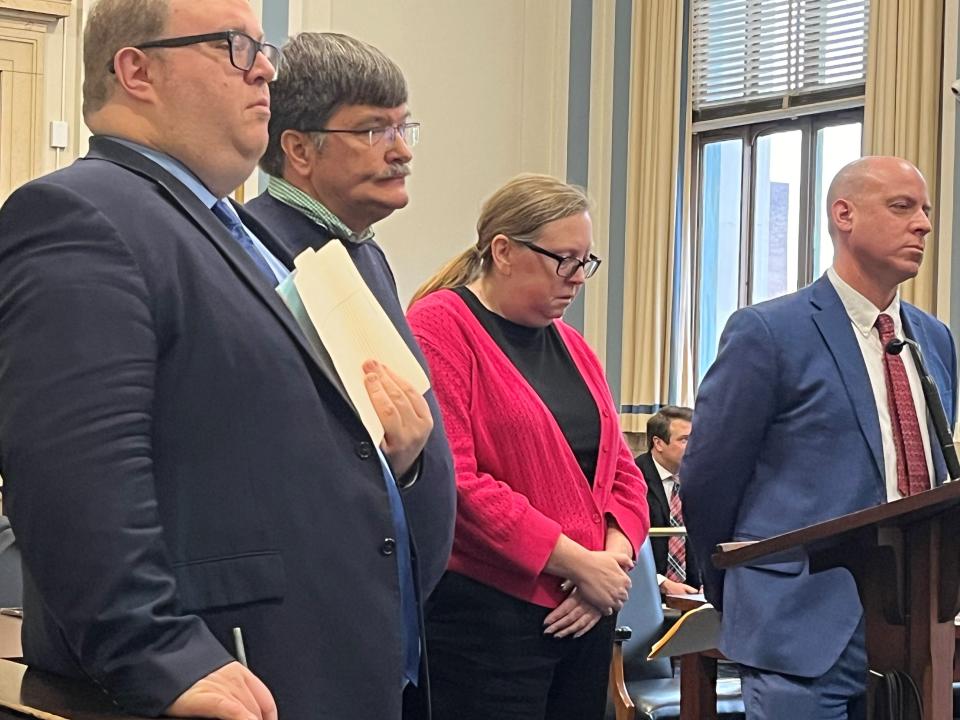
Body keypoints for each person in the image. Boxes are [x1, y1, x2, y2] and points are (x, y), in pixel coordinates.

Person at [0, 1, 454, 719]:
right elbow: (72, 472)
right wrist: (158, 653)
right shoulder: (81, 214)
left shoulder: (243, 234)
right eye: (235, 47)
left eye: (262, 48)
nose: (266, 68)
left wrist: (402, 461)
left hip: (332, 661)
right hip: (234, 675)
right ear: (136, 70)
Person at [680, 156, 957, 719]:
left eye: (926, 210)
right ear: (844, 215)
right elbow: (708, 478)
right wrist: (734, 582)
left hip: (914, 628)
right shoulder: (768, 331)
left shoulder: (934, 338)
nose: (924, 224)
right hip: (798, 625)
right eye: (903, 207)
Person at [406, 173, 650, 720]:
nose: (578, 278)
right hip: (487, 622)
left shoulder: (574, 346)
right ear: (504, 251)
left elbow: (621, 472)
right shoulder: (439, 326)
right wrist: (577, 564)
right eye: (564, 259)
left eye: (586, 261)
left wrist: (608, 563)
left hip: (587, 611)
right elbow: (455, 480)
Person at [245, 32, 455, 598]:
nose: (402, 150)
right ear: (300, 150)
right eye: (372, 130)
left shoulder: (363, 251)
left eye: (403, 127)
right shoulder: (256, 254)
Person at [634, 406, 699, 595]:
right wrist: (661, 583)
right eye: (685, 440)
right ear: (659, 443)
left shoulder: (703, 478)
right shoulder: (632, 477)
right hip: (644, 591)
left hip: (695, 594)